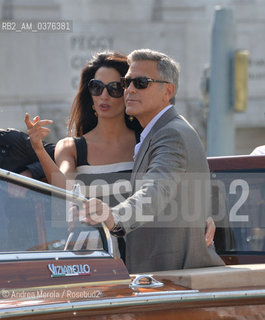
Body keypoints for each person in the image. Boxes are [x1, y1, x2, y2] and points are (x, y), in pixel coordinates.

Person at [25, 50, 215, 263]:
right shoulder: (77, 146)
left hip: (145, 258)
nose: (105, 96)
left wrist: (204, 216)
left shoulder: (159, 137)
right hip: (93, 251)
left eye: (117, 88)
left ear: (167, 91)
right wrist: (39, 149)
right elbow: (67, 191)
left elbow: (160, 189)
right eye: (97, 88)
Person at [82, 49, 224, 273]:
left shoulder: (172, 134)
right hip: (161, 280)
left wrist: (115, 216)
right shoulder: (158, 132)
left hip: (178, 283)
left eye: (141, 82)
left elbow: (155, 190)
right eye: (127, 82)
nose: (129, 90)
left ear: (167, 91)